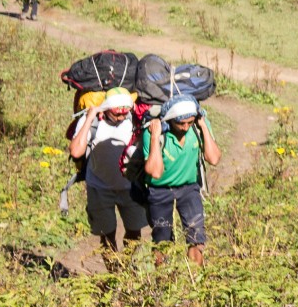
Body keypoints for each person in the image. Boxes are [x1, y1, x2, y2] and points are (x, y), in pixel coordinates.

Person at [142, 97, 220, 268]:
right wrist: (155, 137)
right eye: (181, 123)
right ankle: (164, 283)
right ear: (170, 120)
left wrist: (204, 127)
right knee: (162, 241)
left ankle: (194, 283)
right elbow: (155, 172)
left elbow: (213, 158)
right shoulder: (153, 132)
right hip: (160, 191)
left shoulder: (197, 128)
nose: (185, 127)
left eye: (189, 122)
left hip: (189, 189)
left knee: (196, 238)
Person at [68, 88, 144, 254]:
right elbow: (75, 151)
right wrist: (89, 118)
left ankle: (127, 269)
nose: (121, 118)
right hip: (99, 187)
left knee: (134, 231)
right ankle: (115, 274)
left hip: (130, 187)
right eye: (116, 114)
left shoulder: (135, 120)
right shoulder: (92, 121)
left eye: (125, 113)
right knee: (106, 234)